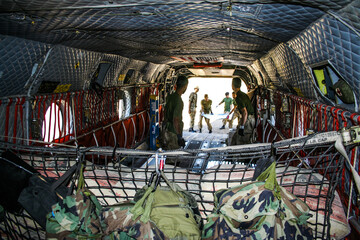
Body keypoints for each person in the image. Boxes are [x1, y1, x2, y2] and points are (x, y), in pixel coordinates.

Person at [161, 75, 188, 150]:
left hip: (167, 130)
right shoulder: (179, 101)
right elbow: (176, 119)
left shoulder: (170, 97)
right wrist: (179, 136)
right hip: (173, 132)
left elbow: (165, 112)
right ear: (185, 86)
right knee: (173, 158)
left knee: (169, 153)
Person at [231, 77, 255, 145]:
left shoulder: (238, 97)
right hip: (248, 119)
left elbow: (245, 112)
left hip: (247, 121)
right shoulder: (244, 95)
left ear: (232, 86)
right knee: (235, 139)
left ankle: (239, 155)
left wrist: (242, 126)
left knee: (241, 143)